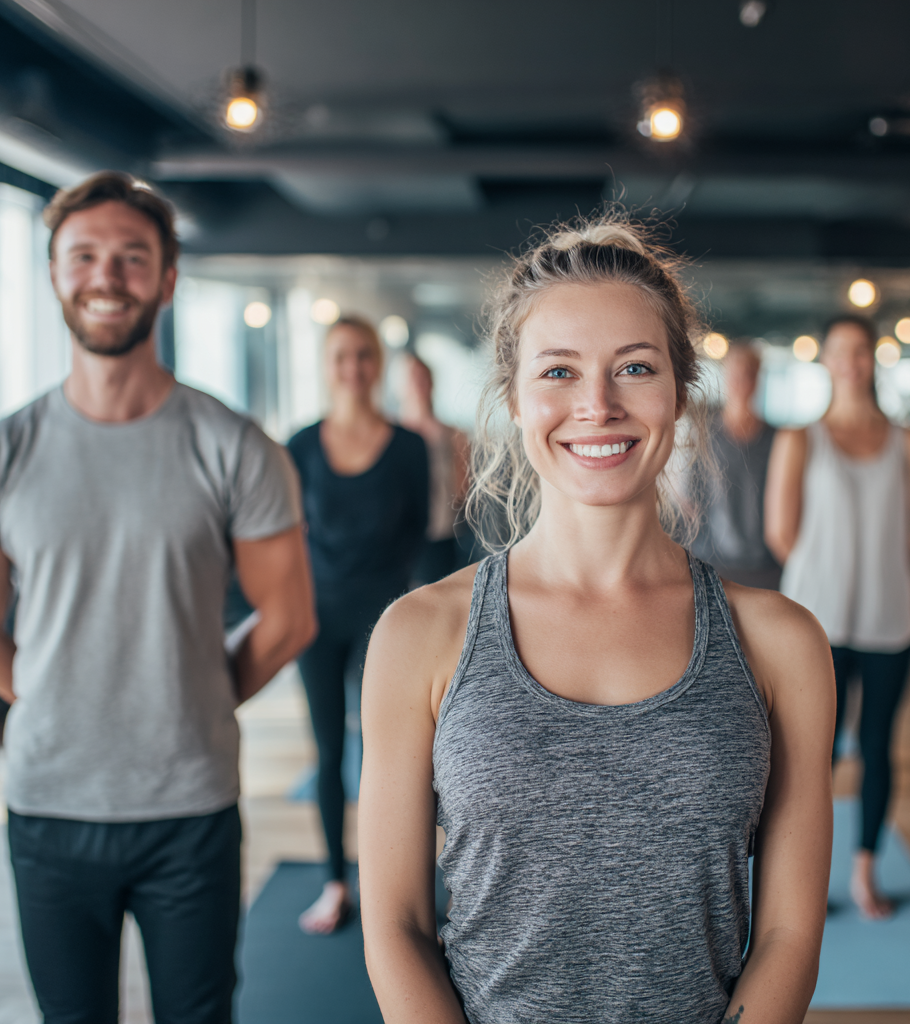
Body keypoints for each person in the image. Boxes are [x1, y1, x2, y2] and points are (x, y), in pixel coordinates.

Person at [358, 215, 836, 1024]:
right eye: (558, 372)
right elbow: (397, 927)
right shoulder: (419, 635)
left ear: (681, 393)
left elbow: (789, 933)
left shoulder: (781, 643)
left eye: (635, 367)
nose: (598, 405)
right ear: (513, 397)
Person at [0, 172, 316, 1024]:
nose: (107, 276)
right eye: (84, 256)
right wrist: (49, 699)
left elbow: (288, 617)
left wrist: (190, 698)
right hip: (49, 805)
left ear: (167, 281)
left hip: (189, 808)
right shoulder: (0, 451)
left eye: (133, 258)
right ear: (54, 272)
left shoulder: (232, 444)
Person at [765, 314, 910, 919]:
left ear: (873, 359)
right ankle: (801, 881)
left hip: (891, 619)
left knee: (876, 744)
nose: (851, 362)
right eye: (840, 351)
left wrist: (872, 566)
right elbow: (780, 533)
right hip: (816, 622)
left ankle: (865, 871)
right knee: (810, 754)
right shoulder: (800, 440)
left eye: (861, 351)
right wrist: (834, 568)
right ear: (827, 360)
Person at [287, 317, 428, 934]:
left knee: (386, 756)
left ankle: (389, 885)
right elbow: (287, 539)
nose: (353, 367)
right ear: (327, 363)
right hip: (318, 616)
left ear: (377, 364)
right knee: (327, 749)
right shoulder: (299, 445)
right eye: (342, 356)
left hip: (386, 620)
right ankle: (334, 881)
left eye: (364, 355)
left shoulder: (407, 447)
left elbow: (419, 537)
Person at [690, 341, 781, 589]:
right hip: (713, 563)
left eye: (749, 373)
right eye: (735, 373)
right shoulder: (704, 434)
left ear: (758, 378)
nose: (741, 381)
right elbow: (690, 500)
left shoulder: (778, 439)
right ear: (725, 376)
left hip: (766, 565)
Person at [398, 354, 470, 584]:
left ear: (432, 383)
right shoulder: (389, 436)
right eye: (412, 378)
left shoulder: (453, 434)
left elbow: (462, 490)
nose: (418, 384)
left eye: (422, 378)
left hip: (440, 535)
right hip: (398, 536)